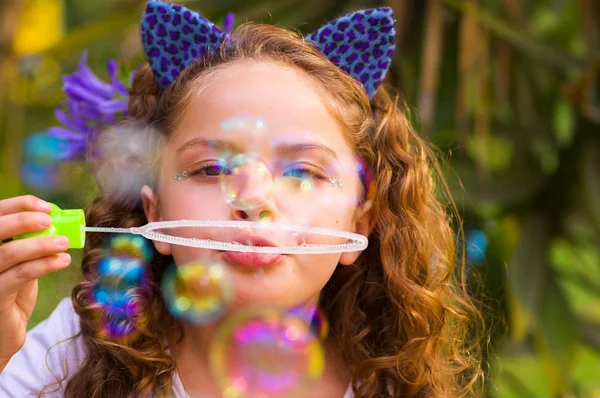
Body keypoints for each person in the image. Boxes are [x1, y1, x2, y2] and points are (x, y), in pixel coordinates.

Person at [0, 1, 484, 397]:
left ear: (360, 226)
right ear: (156, 213)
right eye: (211, 170)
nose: (252, 200)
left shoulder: (390, 383)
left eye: (302, 171)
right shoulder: (83, 344)